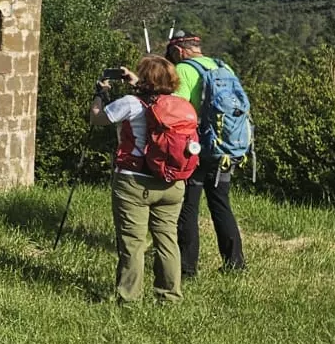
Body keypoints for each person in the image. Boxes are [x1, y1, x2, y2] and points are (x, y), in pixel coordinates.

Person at [91, 55, 188, 304]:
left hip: (134, 181)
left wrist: (100, 95)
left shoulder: (130, 103)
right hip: (172, 181)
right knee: (167, 239)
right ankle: (169, 296)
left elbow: (98, 118)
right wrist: (136, 81)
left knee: (133, 242)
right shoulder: (179, 104)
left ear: (145, 79)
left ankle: (128, 297)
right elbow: (154, 100)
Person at [168, 30, 247, 278]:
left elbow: (177, 110)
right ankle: (235, 263)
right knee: (221, 203)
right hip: (225, 148)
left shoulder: (184, 70)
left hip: (197, 148)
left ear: (179, 51)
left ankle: (187, 269)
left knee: (188, 206)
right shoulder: (224, 67)